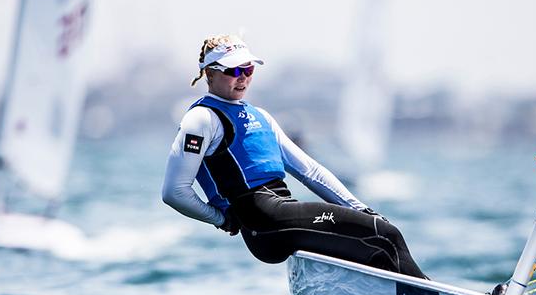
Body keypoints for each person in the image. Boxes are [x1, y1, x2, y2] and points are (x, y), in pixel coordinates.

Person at [162, 34, 427, 279]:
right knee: (386, 236)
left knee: (375, 239)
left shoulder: (262, 116)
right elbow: (174, 191)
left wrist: (359, 208)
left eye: (248, 69)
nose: (242, 77)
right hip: (264, 222)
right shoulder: (201, 119)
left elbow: (310, 171)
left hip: (282, 213)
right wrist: (220, 219)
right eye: (233, 71)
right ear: (209, 73)